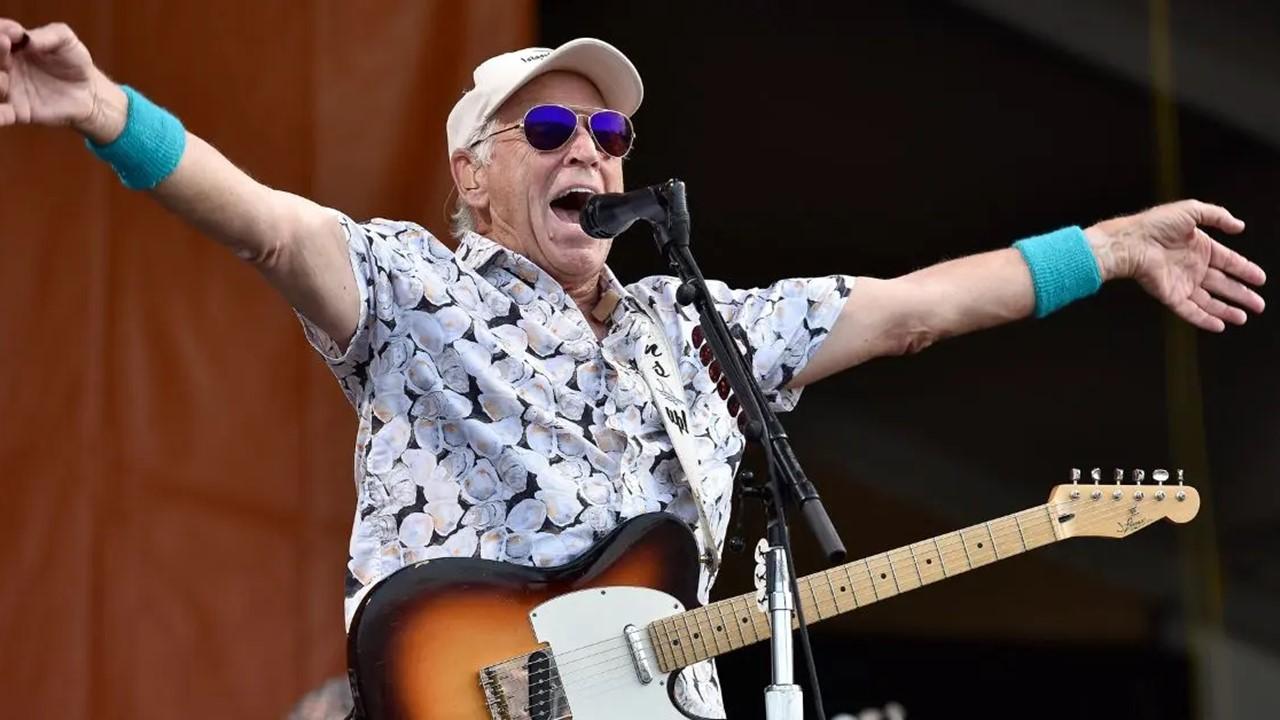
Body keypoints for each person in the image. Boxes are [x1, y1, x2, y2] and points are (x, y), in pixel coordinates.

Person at [0, 19, 1266, 719]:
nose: (586, 155)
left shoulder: (694, 328)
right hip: (460, 696)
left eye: (605, 134)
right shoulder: (408, 282)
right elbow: (265, 223)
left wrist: (1100, 250)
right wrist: (110, 112)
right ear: (473, 176)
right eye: (546, 130)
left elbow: (909, 311)